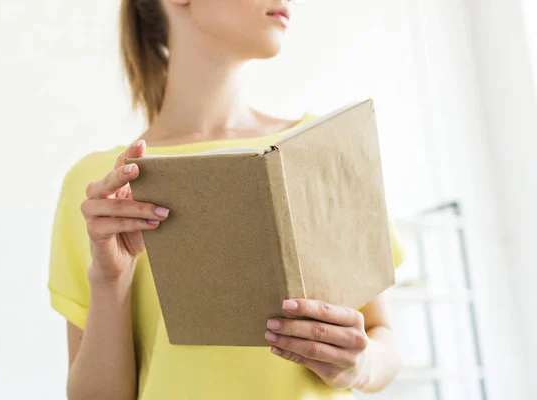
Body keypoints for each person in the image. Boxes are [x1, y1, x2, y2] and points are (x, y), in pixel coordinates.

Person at [48, 0, 406, 399]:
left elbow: (382, 337)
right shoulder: (98, 185)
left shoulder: (328, 148)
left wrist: (359, 365)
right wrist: (110, 279)